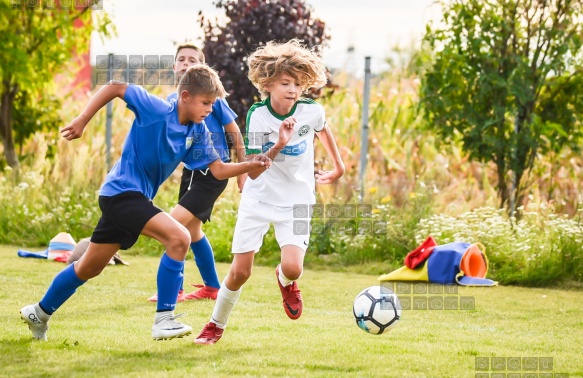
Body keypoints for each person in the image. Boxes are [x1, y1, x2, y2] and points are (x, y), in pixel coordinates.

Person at [19, 64, 270, 341]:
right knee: (179, 237)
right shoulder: (156, 110)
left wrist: (249, 164)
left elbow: (218, 169)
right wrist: (82, 119)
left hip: (130, 199)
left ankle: (38, 313)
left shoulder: (197, 132)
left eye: (212, 104)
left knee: (89, 267)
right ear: (185, 96)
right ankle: (164, 319)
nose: (210, 110)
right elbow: (115, 85)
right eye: (206, 103)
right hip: (121, 193)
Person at [193, 39, 345, 345]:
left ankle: (285, 280)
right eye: (285, 83)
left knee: (293, 267)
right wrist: (278, 145)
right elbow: (252, 168)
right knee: (240, 272)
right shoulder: (258, 116)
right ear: (269, 84)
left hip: (298, 200)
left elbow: (323, 128)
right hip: (259, 198)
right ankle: (215, 325)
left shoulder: (311, 110)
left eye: (298, 84)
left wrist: (339, 167)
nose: (292, 90)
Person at [147, 43, 247, 303]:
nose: (186, 63)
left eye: (193, 59)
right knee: (192, 233)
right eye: (181, 59)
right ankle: (212, 287)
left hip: (213, 175)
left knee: (173, 226)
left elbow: (234, 132)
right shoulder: (171, 103)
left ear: (202, 67)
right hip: (190, 173)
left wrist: (242, 171)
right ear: (174, 67)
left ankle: (173, 289)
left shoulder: (216, 99)